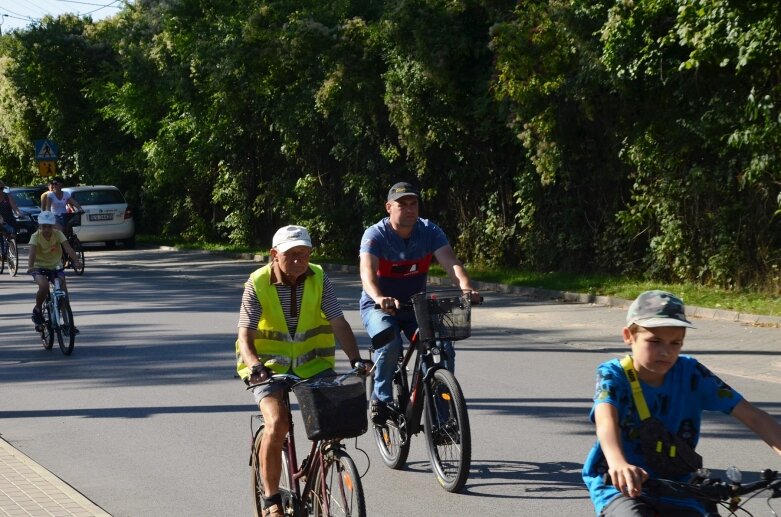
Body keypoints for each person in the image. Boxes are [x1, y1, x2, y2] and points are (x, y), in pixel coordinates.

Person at [582, 290, 781, 517]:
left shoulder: (692, 374)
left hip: (680, 487)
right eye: (654, 341)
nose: (665, 351)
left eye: (675, 343)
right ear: (629, 335)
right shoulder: (614, 373)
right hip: (622, 487)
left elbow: (752, 416)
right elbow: (606, 418)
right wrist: (618, 463)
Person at [235, 224, 371, 517]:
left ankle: (320, 470)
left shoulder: (319, 277)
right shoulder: (257, 282)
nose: (299, 259)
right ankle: (271, 501)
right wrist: (255, 366)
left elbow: (338, 323)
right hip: (267, 368)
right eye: (292, 253)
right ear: (274, 254)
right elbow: (245, 336)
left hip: (313, 365)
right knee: (277, 423)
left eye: (304, 253)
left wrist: (356, 360)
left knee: (334, 424)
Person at [359, 181, 479, 425]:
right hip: (379, 306)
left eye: (414, 203)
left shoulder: (429, 231)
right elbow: (367, 273)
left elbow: (451, 263)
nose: (410, 209)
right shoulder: (375, 235)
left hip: (416, 307)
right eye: (402, 204)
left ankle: (444, 416)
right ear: (389, 207)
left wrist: (466, 287)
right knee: (390, 343)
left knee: (441, 347)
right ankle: (380, 400)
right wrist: (380, 297)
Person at [26, 211, 82, 331]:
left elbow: (68, 248)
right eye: (44, 226)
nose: (46, 229)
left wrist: (76, 261)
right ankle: (38, 309)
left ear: (53, 226)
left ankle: (68, 324)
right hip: (39, 267)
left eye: (49, 226)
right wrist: (30, 267)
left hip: (56, 266)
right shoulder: (35, 236)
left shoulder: (58, 234)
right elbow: (32, 252)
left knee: (64, 294)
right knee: (44, 286)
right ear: (39, 226)